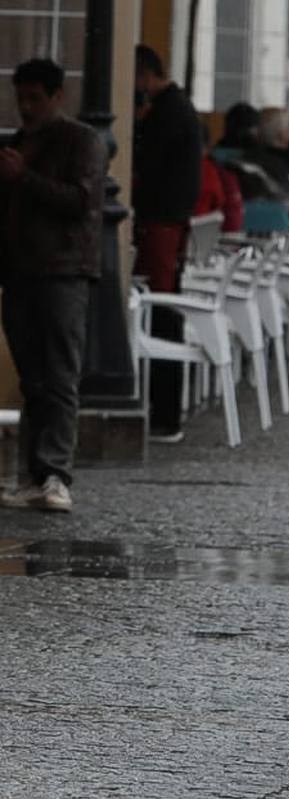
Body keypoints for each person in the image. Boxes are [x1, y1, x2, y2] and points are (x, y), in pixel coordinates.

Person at [0, 59, 105, 512]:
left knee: (60, 374)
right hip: (21, 271)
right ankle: (35, 473)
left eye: (35, 99)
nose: (26, 108)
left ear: (57, 95)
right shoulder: (21, 143)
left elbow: (83, 201)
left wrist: (25, 177)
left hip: (63, 271)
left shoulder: (81, 140)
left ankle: (56, 474)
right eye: (20, 98)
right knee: (33, 379)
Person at [133, 44, 202, 443]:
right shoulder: (179, 109)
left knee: (162, 312)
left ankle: (164, 412)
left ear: (144, 74)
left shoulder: (166, 114)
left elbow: (147, 167)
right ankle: (164, 410)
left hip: (161, 224)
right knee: (165, 310)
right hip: (171, 223)